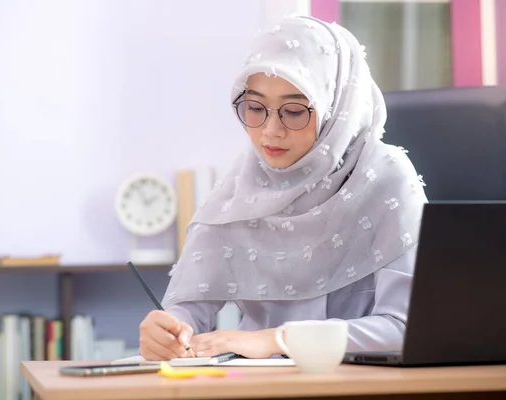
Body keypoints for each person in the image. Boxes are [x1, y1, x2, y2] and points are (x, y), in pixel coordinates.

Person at [138, 15, 427, 361]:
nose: (270, 131)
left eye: (293, 111)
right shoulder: (242, 186)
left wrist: (279, 339)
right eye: (255, 107)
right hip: (257, 386)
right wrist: (168, 331)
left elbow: (406, 326)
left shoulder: (385, 177)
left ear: (335, 109)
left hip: (358, 387)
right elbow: (186, 311)